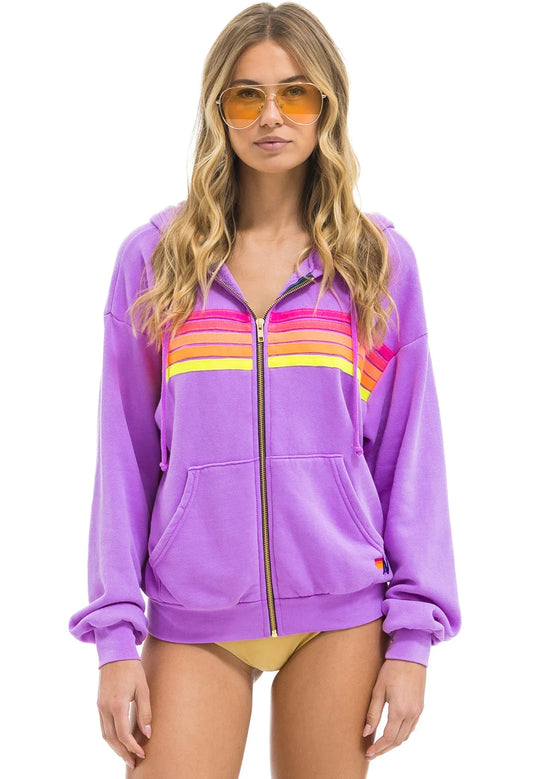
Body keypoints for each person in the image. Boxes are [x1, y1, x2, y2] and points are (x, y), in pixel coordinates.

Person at [68, 3, 462, 777]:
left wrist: (413, 639)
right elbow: (123, 455)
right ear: (219, 111)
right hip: (193, 608)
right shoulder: (156, 262)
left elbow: (409, 455)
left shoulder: (375, 264)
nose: (271, 116)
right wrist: (114, 639)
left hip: (342, 604)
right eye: (246, 95)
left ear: (327, 106)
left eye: (295, 93)